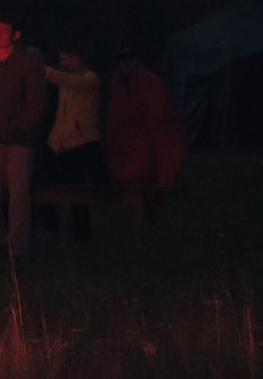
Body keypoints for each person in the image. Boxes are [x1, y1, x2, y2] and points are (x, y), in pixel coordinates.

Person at [0, 17, 47, 257]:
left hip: (19, 143)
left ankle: (17, 251)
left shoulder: (26, 64)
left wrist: (18, 127)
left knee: (18, 198)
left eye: (4, 31)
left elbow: (36, 103)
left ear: (15, 35)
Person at [39, 45, 106, 243]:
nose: (63, 63)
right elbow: (62, 115)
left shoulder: (90, 79)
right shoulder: (67, 84)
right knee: (70, 190)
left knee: (89, 189)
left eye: (66, 59)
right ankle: (76, 235)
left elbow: (70, 80)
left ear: (78, 58)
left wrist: (46, 71)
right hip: (67, 145)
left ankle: (84, 236)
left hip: (86, 143)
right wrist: (55, 139)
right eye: (61, 60)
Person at [104, 53, 186, 187]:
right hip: (130, 132)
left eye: (130, 60)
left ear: (138, 61)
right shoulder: (118, 81)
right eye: (124, 62)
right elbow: (117, 109)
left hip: (148, 129)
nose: (127, 65)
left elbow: (159, 108)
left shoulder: (149, 80)